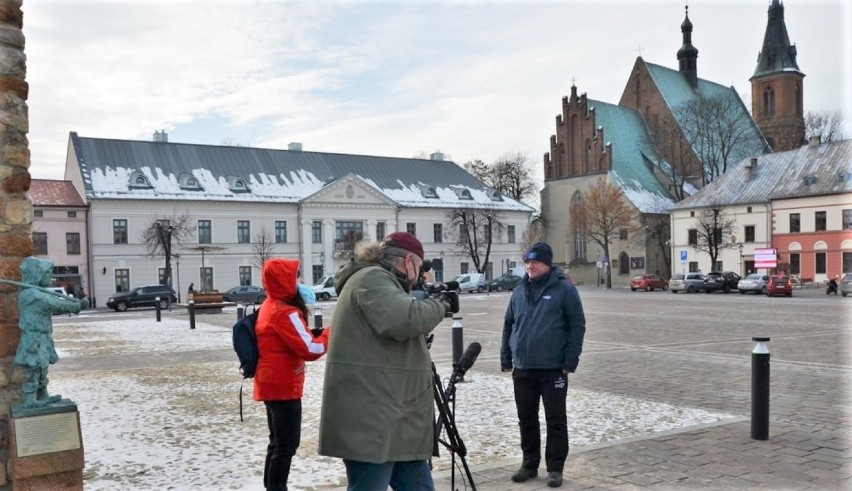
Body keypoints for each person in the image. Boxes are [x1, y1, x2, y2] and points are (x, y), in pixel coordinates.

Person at [318, 231, 449, 490]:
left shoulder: (376, 279)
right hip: (373, 422)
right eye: (420, 268)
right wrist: (440, 305)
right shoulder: (371, 278)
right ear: (409, 261)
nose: (419, 276)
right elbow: (404, 319)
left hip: (393, 419)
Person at [500, 242, 586, 488]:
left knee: (555, 419)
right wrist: (506, 356)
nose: (529, 266)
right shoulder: (519, 291)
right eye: (527, 262)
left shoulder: (564, 290)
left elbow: (577, 325)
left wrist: (571, 360)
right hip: (523, 368)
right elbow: (509, 324)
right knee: (526, 418)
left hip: (553, 369)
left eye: (534, 262)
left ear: (547, 264)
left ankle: (555, 468)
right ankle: (529, 463)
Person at [253, 258, 330, 491]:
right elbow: (310, 349)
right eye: (296, 277)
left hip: (271, 384)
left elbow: (293, 339)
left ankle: (271, 486)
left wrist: (313, 334)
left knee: (276, 443)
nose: (300, 282)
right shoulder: (285, 312)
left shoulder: (269, 305)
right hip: (284, 387)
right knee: (286, 446)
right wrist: (328, 334)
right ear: (285, 281)